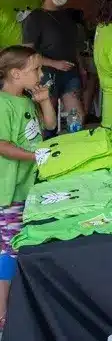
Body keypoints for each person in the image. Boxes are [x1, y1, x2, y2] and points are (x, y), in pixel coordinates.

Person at [0, 46, 57, 327]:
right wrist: (34, 156)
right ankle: (2, 313)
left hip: (27, 186)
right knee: (9, 248)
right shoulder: (2, 104)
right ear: (15, 73)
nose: (41, 73)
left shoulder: (25, 99)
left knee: (17, 244)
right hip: (7, 191)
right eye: (36, 69)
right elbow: (2, 145)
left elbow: (48, 125)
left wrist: (44, 100)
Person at [21, 0, 85, 121]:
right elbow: (27, 52)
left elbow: (73, 45)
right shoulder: (35, 18)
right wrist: (54, 63)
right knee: (48, 120)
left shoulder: (67, 16)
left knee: (77, 118)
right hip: (46, 74)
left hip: (70, 72)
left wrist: (81, 67)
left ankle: (76, 143)